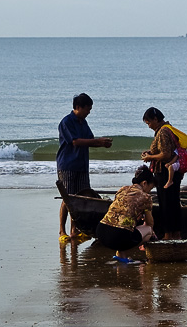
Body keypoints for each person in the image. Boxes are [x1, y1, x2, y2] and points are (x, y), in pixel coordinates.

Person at [56, 93, 113, 242]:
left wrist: (101, 143)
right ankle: (62, 231)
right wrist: (97, 141)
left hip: (82, 165)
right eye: (88, 108)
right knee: (68, 197)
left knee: (80, 197)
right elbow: (75, 141)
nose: (89, 112)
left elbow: (89, 140)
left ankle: (74, 230)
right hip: (68, 165)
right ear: (79, 107)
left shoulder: (83, 122)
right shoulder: (66, 122)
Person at [95, 165, 158, 257]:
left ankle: (122, 257)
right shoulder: (146, 197)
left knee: (123, 227)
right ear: (144, 183)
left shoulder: (122, 189)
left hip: (101, 232)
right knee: (148, 230)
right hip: (118, 236)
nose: (149, 192)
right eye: (150, 188)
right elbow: (150, 223)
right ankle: (142, 253)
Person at [140, 107, 183, 239]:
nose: (149, 126)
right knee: (173, 202)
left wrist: (149, 158)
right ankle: (176, 233)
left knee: (166, 204)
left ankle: (168, 234)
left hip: (164, 171)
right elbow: (166, 150)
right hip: (172, 170)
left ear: (155, 119)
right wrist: (151, 152)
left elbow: (165, 154)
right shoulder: (168, 128)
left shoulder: (163, 131)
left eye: (149, 123)